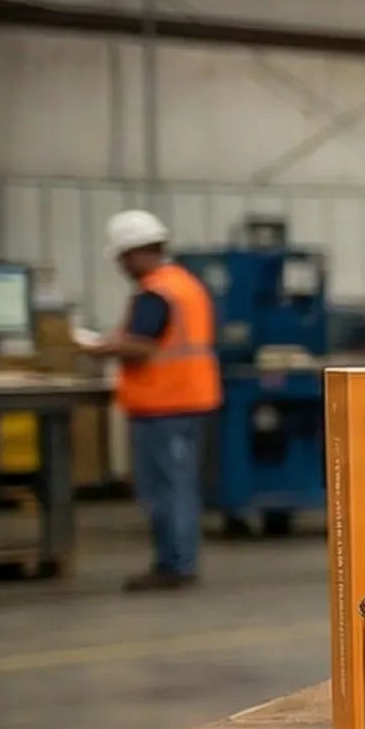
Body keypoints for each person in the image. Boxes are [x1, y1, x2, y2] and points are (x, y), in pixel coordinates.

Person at [101, 210, 216, 593]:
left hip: (162, 403)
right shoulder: (186, 284)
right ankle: (179, 561)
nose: (121, 266)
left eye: (122, 257)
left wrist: (98, 348)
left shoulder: (155, 293)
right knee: (180, 485)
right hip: (190, 398)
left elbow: (141, 346)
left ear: (134, 253)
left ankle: (174, 565)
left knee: (164, 490)